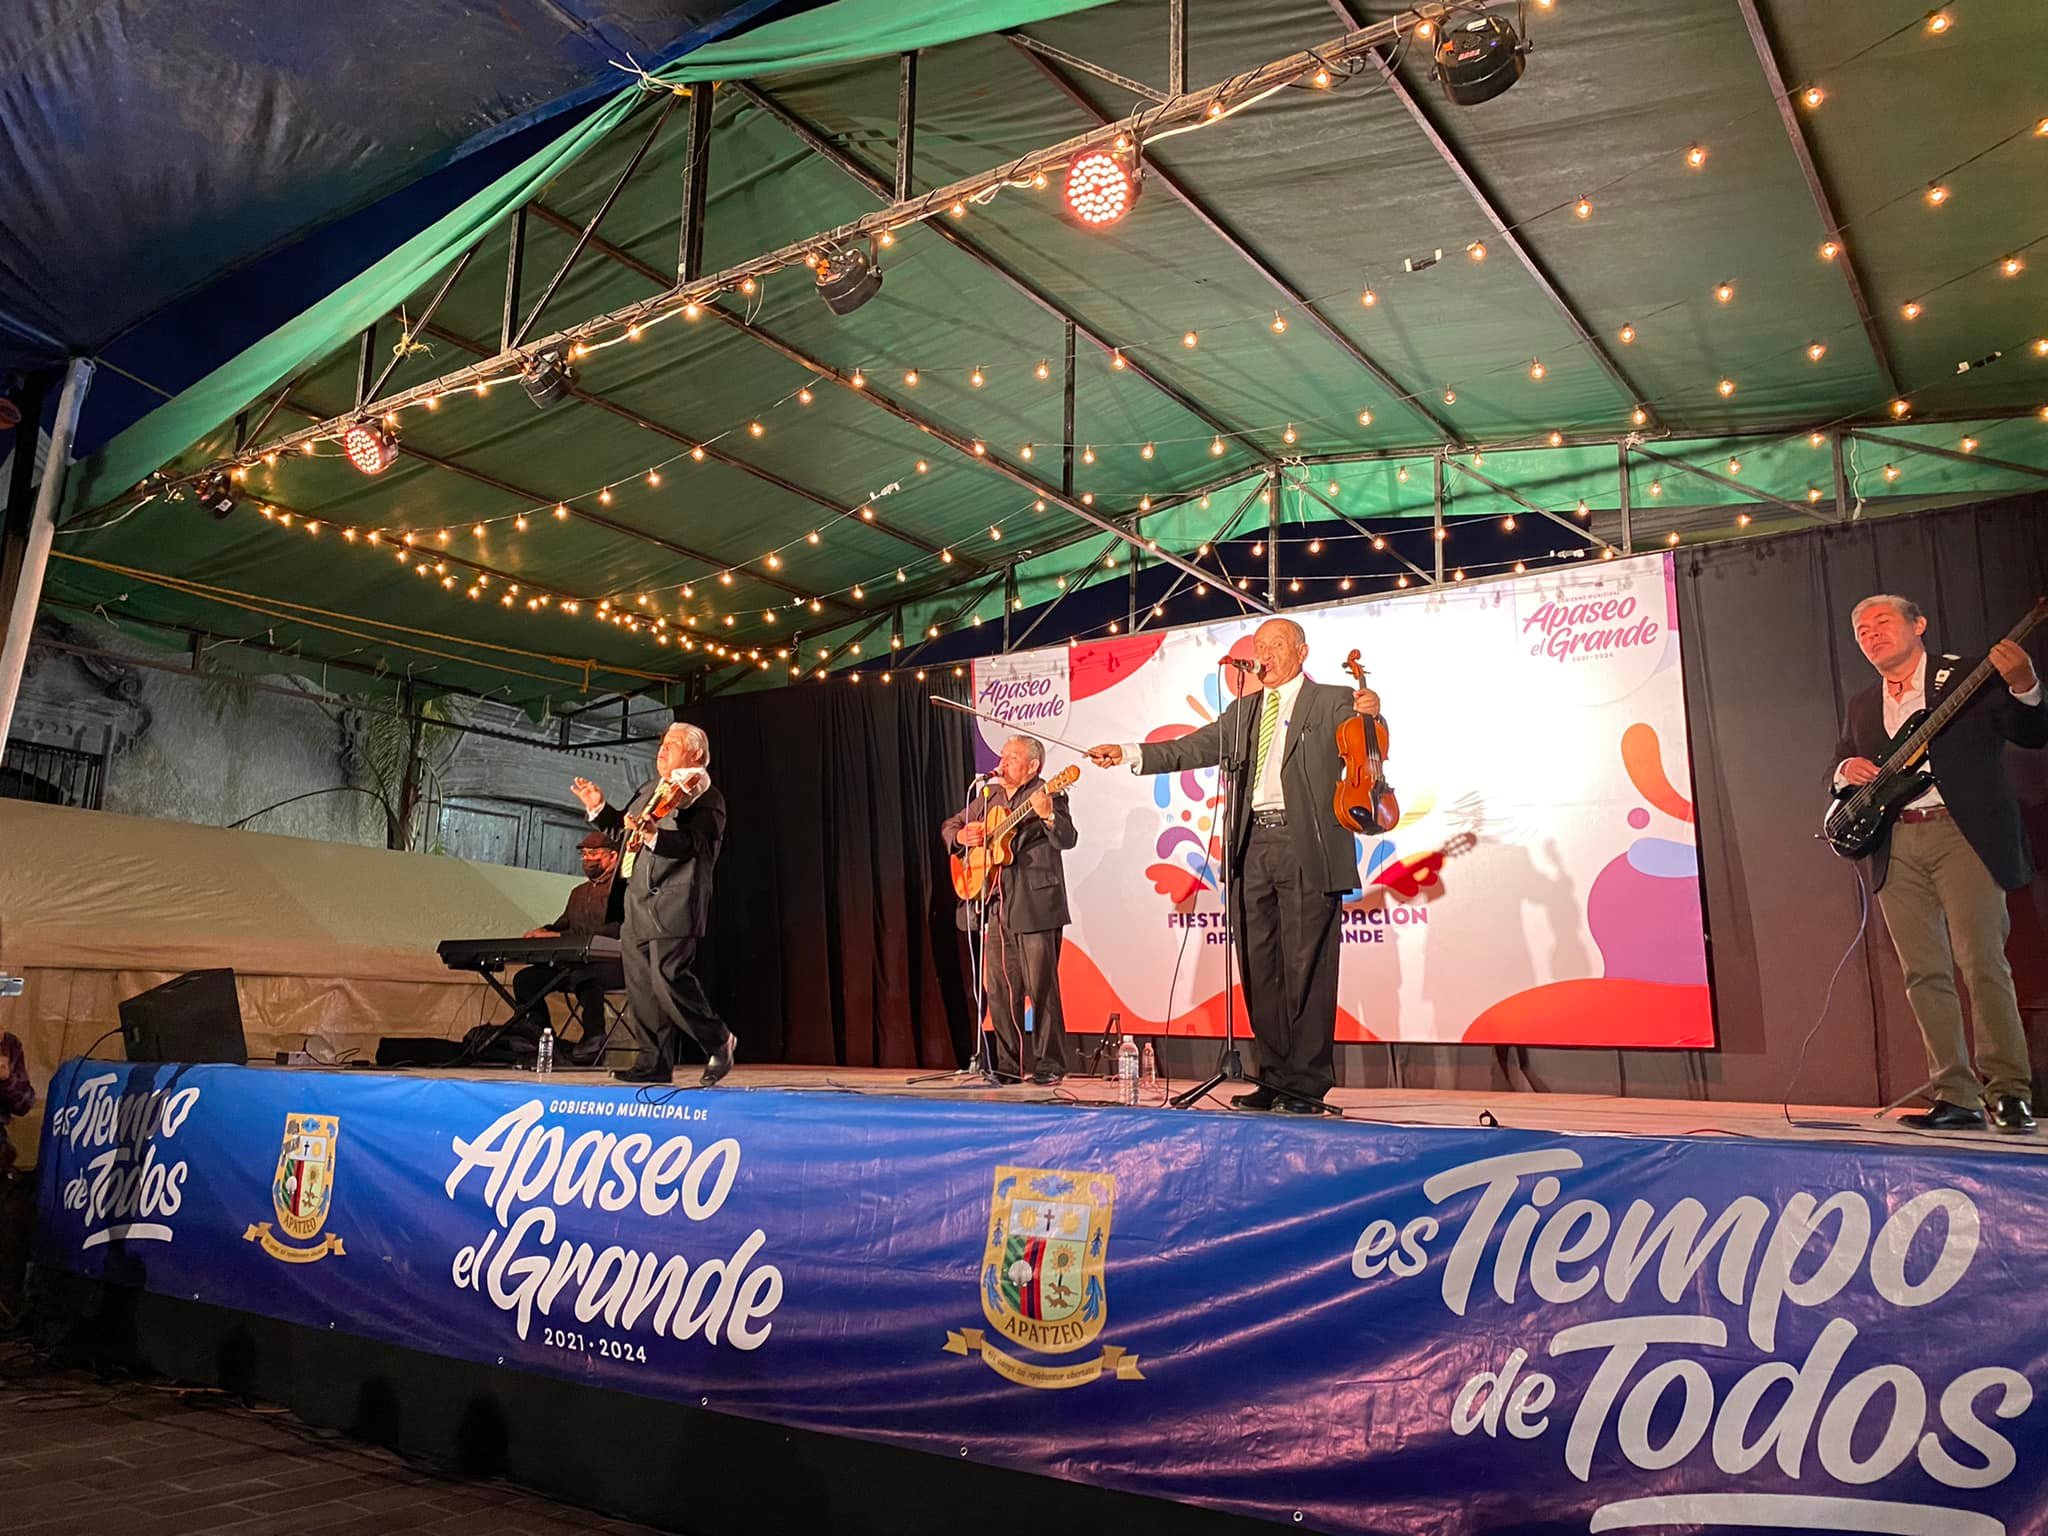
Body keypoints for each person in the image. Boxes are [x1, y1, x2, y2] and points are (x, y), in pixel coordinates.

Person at [1087, 618, 1382, 1114]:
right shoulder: (1243, 711)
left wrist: (1373, 711)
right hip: (1251, 846)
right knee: (1259, 968)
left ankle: (1307, 1084)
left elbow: (1368, 745)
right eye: (1259, 645)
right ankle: (1274, 1078)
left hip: (1306, 844)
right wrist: (1128, 753)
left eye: (1276, 644)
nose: (1265, 653)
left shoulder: (1333, 700)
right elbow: (1191, 746)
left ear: (1301, 652)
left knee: (1306, 968)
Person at [1831, 594, 2046, 1133]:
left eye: (1883, 622)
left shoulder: (1967, 676)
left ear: (1919, 624)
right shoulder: (1862, 704)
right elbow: (1839, 760)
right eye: (1862, 630)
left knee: (1983, 962)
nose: (1872, 634)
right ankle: (1955, 1095)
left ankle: (2009, 1091)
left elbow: (2031, 732)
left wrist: (2024, 684)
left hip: (1962, 833)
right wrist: (1845, 768)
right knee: (1923, 972)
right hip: (1896, 841)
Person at [571, 722, 735, 1086]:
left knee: (667, 979)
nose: (663, 748)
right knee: (642, 989)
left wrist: (654, 836)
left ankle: (718, 1039)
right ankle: (653, 1063)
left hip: (673, 901)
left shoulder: (704, 797)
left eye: (673, 744)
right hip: (636, 900)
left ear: (696, 754)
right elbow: (625, 831)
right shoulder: (650, 789)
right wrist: (599, 809)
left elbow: (695, 845)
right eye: (662, 743)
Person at [941, 735, 1078, 1084]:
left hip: (1036, 906)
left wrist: (1047, 815)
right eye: (1002, 756)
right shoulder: (990, 795)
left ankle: (1050, 1065)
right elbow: (950, 826)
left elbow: (1067, 838)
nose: (1003, 763)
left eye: (1012, 758)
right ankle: (1007, 1066)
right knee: (1001, 990)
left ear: (1033, 766)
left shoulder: (1049, 792)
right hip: (997, 905)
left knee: (1041, 989)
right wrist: (962, 837)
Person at [505, 830, 625, 1067]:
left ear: (613, 856)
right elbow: (563, 924)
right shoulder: (578, 893)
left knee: (585, 974)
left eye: (594, 854)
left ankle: (594, 1036)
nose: (587, 859)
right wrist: (541, 931)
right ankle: (541, 1036)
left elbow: (615, 929)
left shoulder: (624, 890)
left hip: (615, 965)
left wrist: (558, 935)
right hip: (573, 964)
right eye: (584, 854)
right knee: (526, 980)